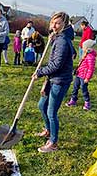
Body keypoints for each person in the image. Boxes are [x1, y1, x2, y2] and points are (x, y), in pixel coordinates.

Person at [32, 12, 74, 153]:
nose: (53, 26)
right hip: (52, 78)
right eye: (52, 22)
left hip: (60, 80)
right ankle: (48, 130)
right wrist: (54, 37)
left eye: (57, 23)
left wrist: (40, 72)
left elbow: (56, 64)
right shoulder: (60, 38)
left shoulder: (62, 40)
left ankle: (53, 142)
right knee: (41, 105)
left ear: (65, 25)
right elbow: (72, 52)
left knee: (51, 112)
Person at [66, 39, 97, 110]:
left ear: (87, 48)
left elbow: (91, 69)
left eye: (83, 47)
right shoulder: (85, 55)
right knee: (75, 87)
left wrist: (87, 78)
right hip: (79, 74)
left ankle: (87, 102)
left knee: (84, 89)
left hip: (84, 76)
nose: (82, 48)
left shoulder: (91, 57)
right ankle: (73, 100)